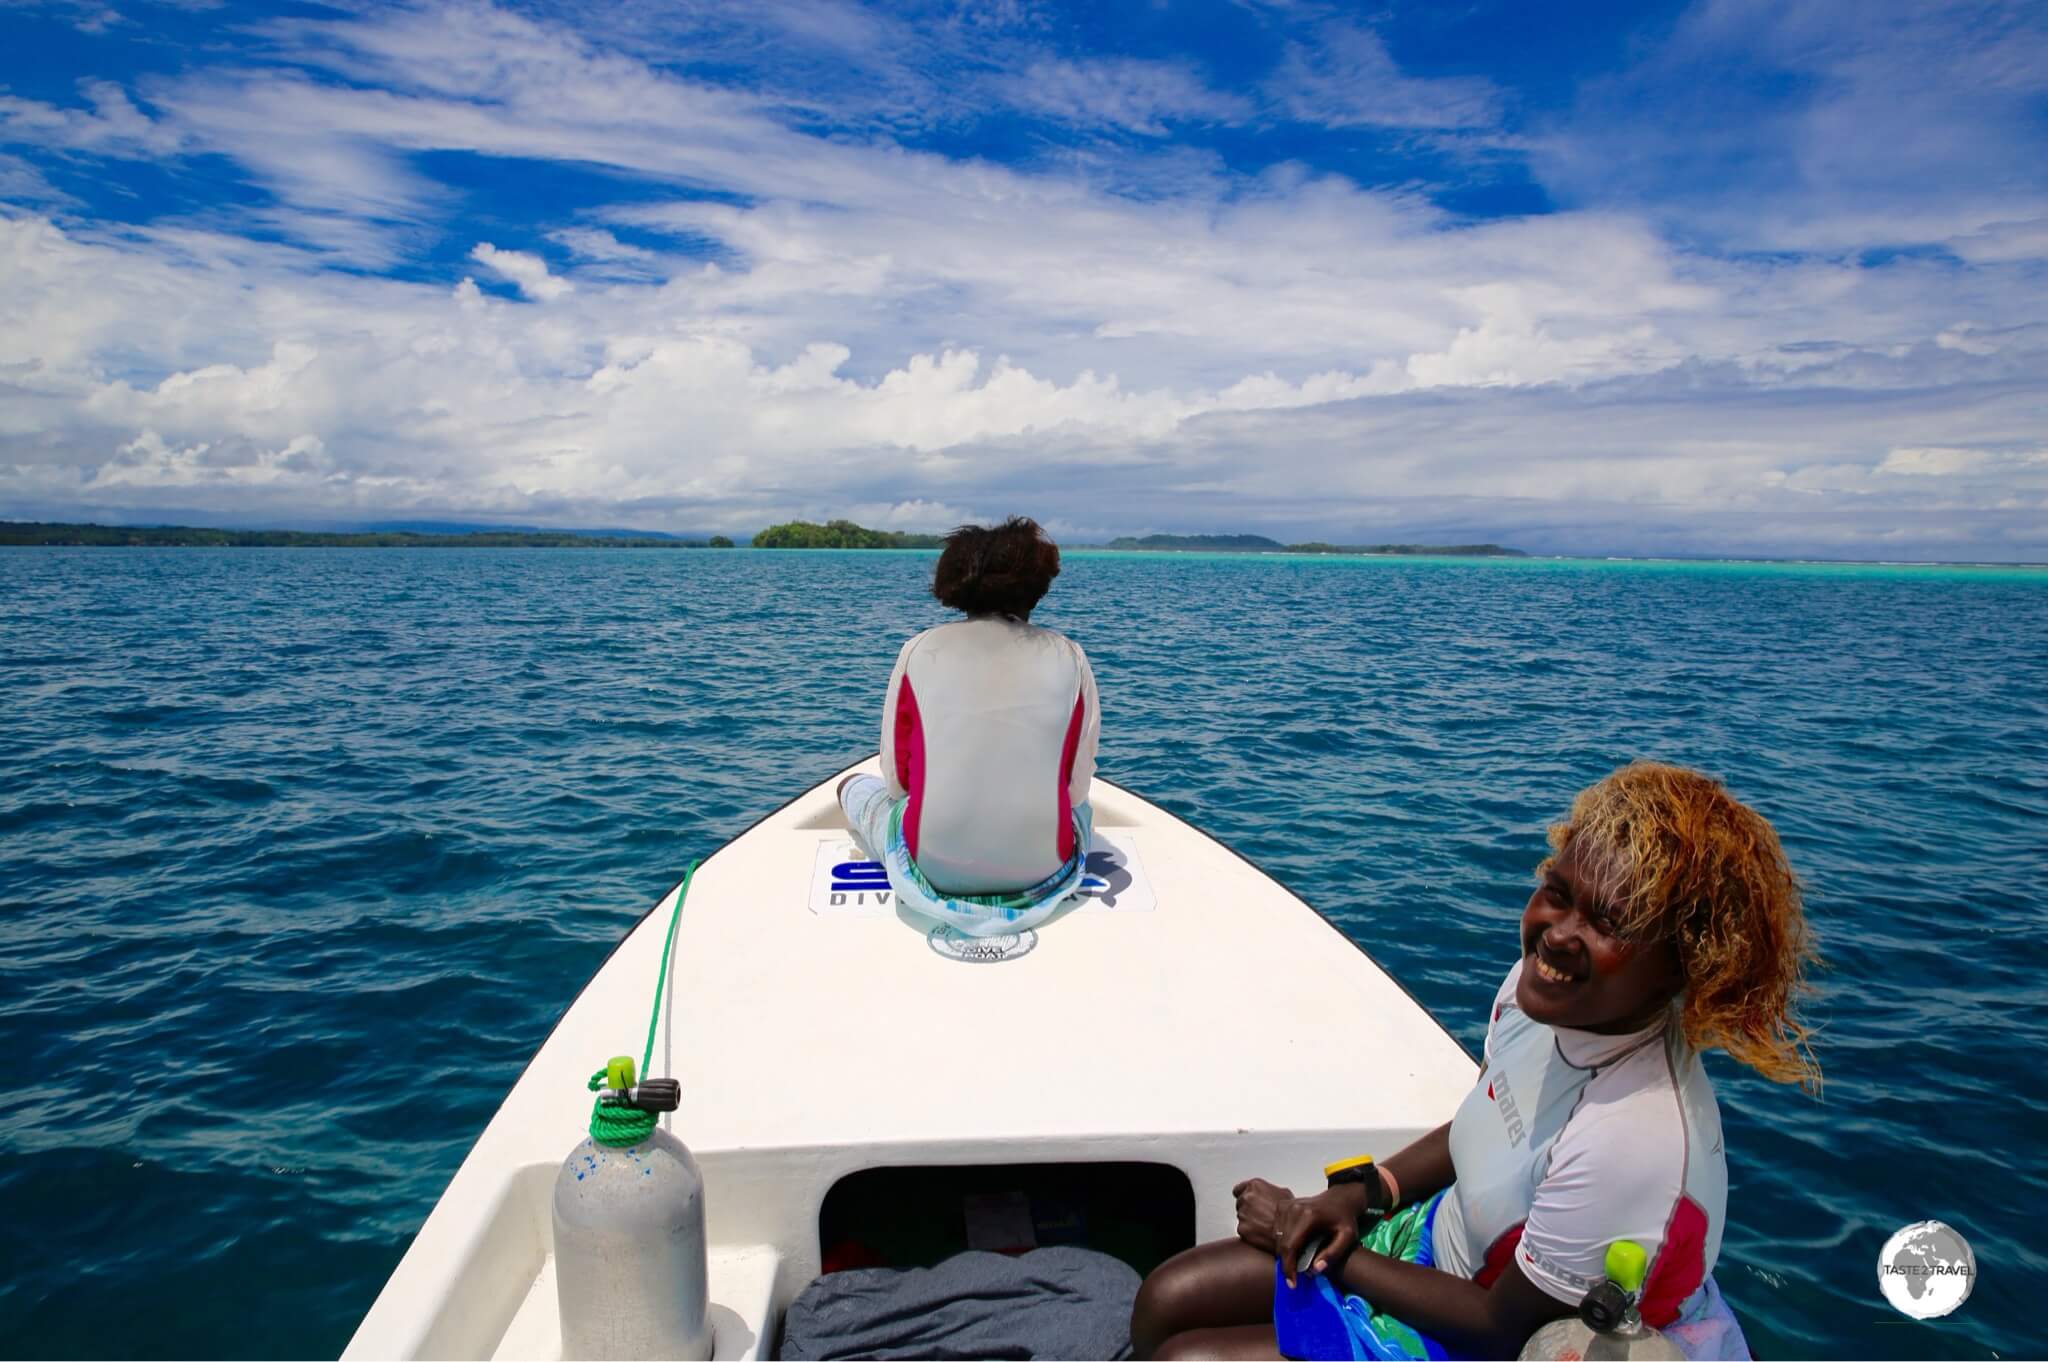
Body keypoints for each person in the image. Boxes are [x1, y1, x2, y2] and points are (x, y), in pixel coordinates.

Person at [1131, 761, 1819, 1361]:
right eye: (1558, 892)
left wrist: (1309, 1241)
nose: (1556, 934)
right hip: (1431, 1243)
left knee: (1190, 1357)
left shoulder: (1634, 1138)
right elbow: (1485, 1121)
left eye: (1608, 924)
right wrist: (1365, 1194)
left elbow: (1497, 1327)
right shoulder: (1541, 1000)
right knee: (1165, 1298)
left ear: (1681, 970)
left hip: (1490, 1330)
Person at [837, 516, 1100, 938]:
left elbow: (898, 783)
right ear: (1038, 587)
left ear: (955, 586)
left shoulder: (919, 650)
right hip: (1044, 869)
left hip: (932, 868)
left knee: (853, 788)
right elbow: (1076, 791)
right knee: (1084, 812)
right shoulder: (1070, 656)